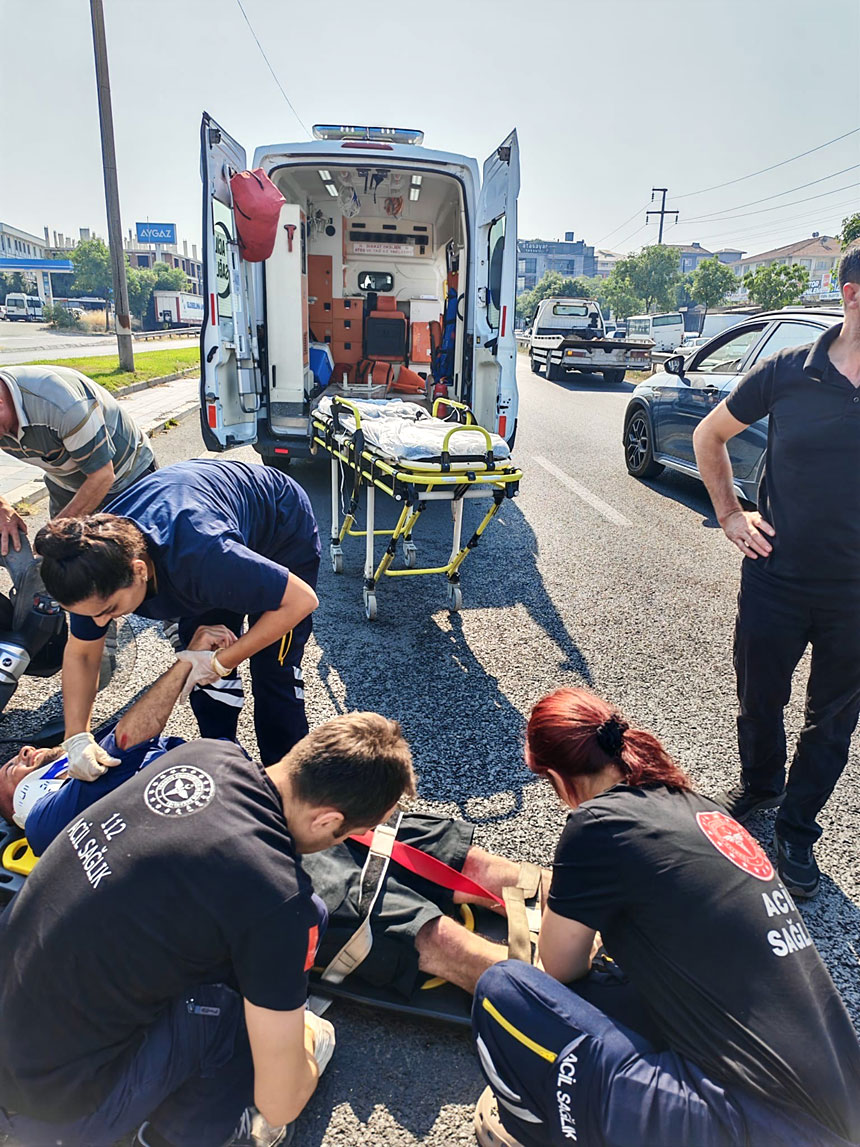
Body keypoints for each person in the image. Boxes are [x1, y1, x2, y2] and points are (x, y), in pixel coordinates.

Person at [0, 711, 416, 1147]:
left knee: (301, 920)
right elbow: (281, 1103)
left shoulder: (207, 755)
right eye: (351, 833)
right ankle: (185, 1136)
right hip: (50, 1108)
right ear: (328, 821)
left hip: (20, 1020)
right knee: (230, 1013)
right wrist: (304, 1047)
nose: (342, 842)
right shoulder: (275, 898)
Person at [471, 687, 860, 1147]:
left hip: (747, 1123)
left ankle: (536, 1131)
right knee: (626, 983)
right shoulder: (705, 810)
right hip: (839, 1105)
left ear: (556, 777)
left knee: (505, 992)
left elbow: (559, 969)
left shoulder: (596, 824)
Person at [692, 248, 860, 898]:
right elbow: (711, 436)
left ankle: (796, 827)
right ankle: (762, 783)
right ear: (851, 295)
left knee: (833, 721)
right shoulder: (789, 371)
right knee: (760, 697)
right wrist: (731, 514)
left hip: (854, 594)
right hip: (776, 575)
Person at [34, 457, 321, 774]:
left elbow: (301, 601)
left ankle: (289, 779)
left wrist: (225, 660)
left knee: (273, 668)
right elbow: (84, 653)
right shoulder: (89, 570)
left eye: (109, 612)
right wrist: (77, 737)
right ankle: (225, 765)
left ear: (139, 570)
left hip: (279, 527)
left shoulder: (202, 557)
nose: (101, 623)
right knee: (199, 660)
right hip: (205, 527)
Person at [0, 621, 236, 855]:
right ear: (20, 808)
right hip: (228, 813)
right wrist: (188, 660)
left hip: (228, 784)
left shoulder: (89, 761)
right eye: (12, 768)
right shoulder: (42, 825)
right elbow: (129, 739)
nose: (25, 751)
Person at [0, 363, 156, 555]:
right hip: (65, 482)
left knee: (131, 560)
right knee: (64, 562)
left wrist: (53, 534)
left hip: (125, 475)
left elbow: (103, 476)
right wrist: (2, 507)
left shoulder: (61, 404)